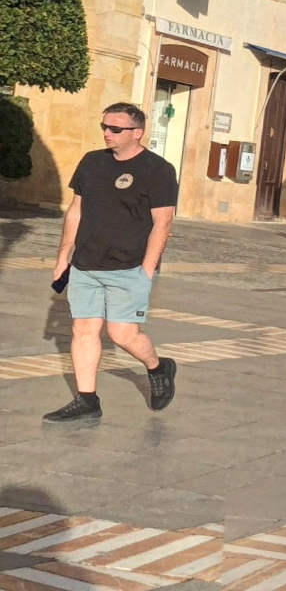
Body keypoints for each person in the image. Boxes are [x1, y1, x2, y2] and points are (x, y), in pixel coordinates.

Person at [46, 103, 180, 422]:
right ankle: (87, 399)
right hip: (86, 264)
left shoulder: (158, 170)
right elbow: (76, 210)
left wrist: (146, 271)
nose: (107, 133)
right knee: (83, 330)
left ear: (137, 132)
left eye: (115, 129)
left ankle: (158, 368)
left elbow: (163, 223)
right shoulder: (92, 162)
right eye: (104, 127)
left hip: (128, 266)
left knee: (121, 335)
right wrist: (64, 255)